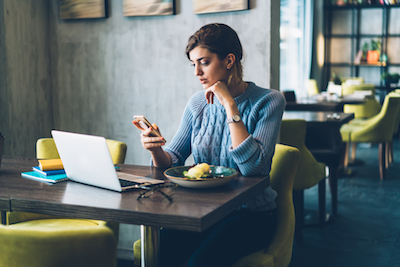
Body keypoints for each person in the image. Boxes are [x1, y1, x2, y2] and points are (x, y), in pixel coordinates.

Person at [133, 23, 286, 267]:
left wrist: (230, 106)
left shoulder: (269, 101)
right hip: (203, 212)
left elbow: (253, 168)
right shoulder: (197, 103)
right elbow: (173, 159)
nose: (197, 72)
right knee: (158, 255)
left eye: (203, 62)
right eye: (193, 64)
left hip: (250, 215)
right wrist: (155, 150)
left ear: (229, 60)